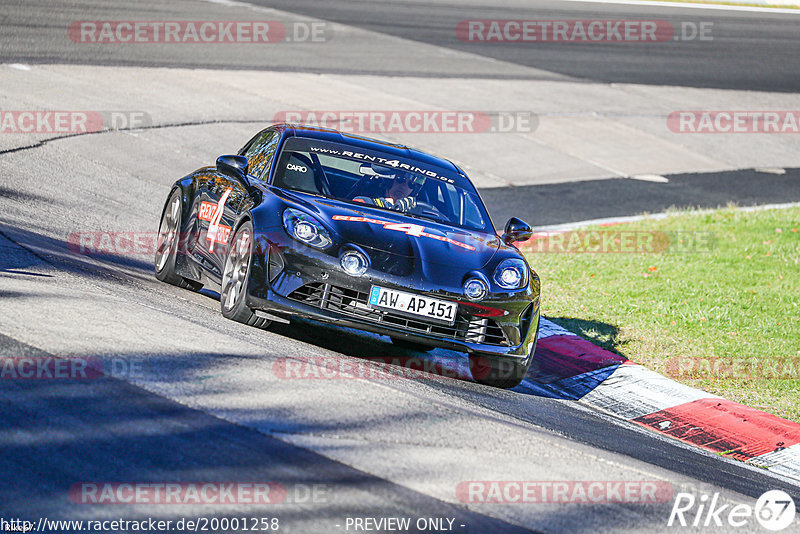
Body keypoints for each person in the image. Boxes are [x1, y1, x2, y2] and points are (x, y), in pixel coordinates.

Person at [355, 170, 419, 212]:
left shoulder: (418, 211)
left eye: (411, 185)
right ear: (388, 182)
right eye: (400, 180)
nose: (404, 187)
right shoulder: (365, 202)